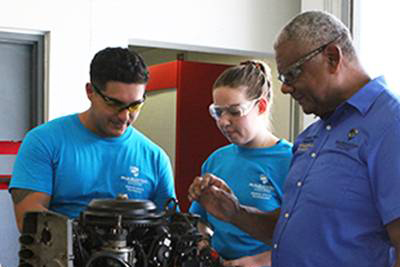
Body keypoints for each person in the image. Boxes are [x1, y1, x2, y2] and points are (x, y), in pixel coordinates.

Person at [189, 10, 400, 267]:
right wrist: (236, 213)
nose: (285, 88)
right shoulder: (313, 136)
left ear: (332, 57)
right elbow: (288, 229)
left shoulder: (390, 125)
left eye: (292, 74)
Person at [9, 47, 177, 231]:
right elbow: (29, 220)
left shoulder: (155, 158)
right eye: (114, 103)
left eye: (134, 106)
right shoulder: (43, 141)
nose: (124, 116)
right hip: (63, 258)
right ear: (90, 91)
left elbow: (169, 226)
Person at [189, 60, 292, 267]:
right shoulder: (216, 160)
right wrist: (202, 241)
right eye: (218, 112)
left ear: (261, 106)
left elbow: (306, 236)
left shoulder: (292, 161)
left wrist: (262, 261)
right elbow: (199, 219)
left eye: (234, 112)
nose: (224, 122)